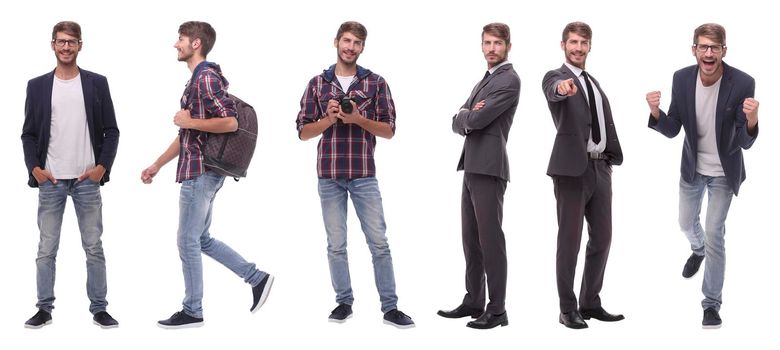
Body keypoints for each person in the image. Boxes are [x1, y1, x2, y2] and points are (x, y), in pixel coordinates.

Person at [141, 21, 273, 329]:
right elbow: (187, 134)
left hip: (200, 172)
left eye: (181, 39)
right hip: (201, 170)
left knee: (187, 241)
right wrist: (157, 164)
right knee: (200, 238)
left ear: (196, 43)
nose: (176, 44)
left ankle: (193, 310)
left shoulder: (206, 79)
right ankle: (257, 278)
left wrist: (189, 121)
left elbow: (229, 123)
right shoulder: (198, 81)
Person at [296, 21, 414, 329]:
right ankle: (343, 303)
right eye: (346, 40)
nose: (350, 47)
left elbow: (389, 130)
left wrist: (358, 118)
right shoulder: (317, 84)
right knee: (336, 244)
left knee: (379, 242)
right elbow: (303, 132)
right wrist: (329, 118)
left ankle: (390, 308)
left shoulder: (375, 83)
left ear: (362, 48)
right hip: (329, 174)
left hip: (363, 173)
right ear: (336, 41)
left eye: (357, 43)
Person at [645, 23, 759, 329]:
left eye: (715, 47)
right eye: (703, 47)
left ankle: (711, 303)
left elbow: (744, 141)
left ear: (724, 51)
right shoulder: (681, 79)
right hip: (692, 168)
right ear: (694, 49)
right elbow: (672, 129)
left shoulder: (743, 82)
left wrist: (752, 119)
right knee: (685, 222)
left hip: (724, 171)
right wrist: (655, 112)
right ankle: (697, 251)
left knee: (714, 234)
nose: (709, 53)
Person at [21, 21, 120, 329]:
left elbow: (111, 130)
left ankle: (99, 308)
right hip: (50, 180)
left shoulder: (96, 83)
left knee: (94, 247)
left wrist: (101, 168)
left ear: (80, 45)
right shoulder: (36, 86)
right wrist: (34, 169)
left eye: (71, 42)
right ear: (53, 44)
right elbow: (28, 134)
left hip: (86, 181)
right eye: (61, 41)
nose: (66, 47)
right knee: (46, 248)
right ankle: (44, 308)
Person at [541, 21, 625, 329]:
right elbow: (553, 90)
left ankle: (590, 302)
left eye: (583, 43)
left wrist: (609, 160)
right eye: (573, 42)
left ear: (590, 46)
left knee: (602, 237)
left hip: (601, 167)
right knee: (570, 240)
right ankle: (567, 308)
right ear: (563, 45)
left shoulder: (594, 82)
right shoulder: (556, 76)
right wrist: (562, 89)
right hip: (571, 170)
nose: (578, 48)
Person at [437, 22, 519, 330]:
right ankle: (474, 300)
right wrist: (465, 114)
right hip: (471, 166)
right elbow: (461, 117)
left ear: (508, 46)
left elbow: (478, 117)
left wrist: (466, 115)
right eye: (487, 43)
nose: (491, 49)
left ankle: (497, 309)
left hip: (489, 167)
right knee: (471, 239)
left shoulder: (509, 80)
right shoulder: (487, 79)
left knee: (490, 239)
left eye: (497, 43)